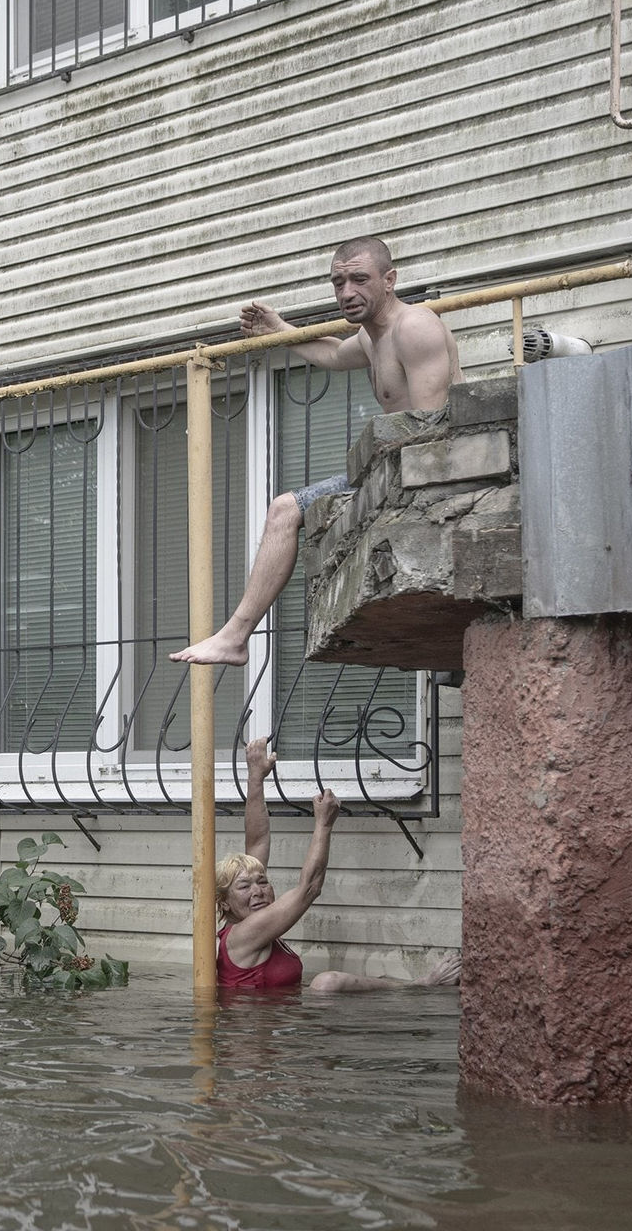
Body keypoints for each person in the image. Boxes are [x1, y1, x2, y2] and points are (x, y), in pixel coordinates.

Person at [172, 236, 461, 666]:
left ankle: (234, 636)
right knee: (284, 510)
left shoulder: (414, 327)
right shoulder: (371, 338)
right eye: (338, 282)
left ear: (389, 280)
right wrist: (279, 330)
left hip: (427, 472)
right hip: (389, 467)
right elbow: (331, 352)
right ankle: (234, 638)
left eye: (359, 279)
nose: (347, 292)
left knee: (288, 510)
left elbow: (430, 432)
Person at [217, 737, 461, 992]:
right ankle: (417, 987)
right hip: (256, 1029)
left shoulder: (253, 924)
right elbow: (309, 888)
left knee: (327, 982)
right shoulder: (242, 935)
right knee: (326, 983)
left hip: (279, 1022)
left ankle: (414, 986)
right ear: (224, 902)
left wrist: (256, 776)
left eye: (263, 881)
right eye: (244, 886)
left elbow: (256, 842)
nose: (258, 891)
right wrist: (323, 825)